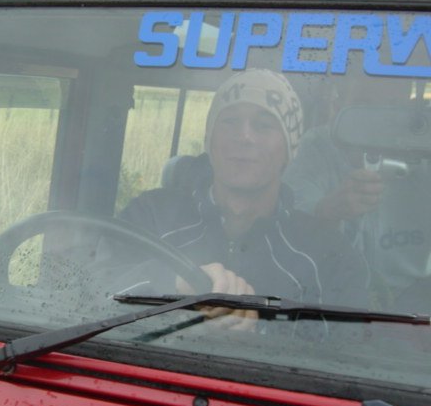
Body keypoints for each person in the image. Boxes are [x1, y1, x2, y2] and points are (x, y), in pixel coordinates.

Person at [97, 69, 370, 330]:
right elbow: (91, 292)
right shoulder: (150, 215)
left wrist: (258, 330)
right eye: (230, 121)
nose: (244, 136)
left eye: (263, 125)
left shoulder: (329, 256)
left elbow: (344, 345)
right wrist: (175, 282)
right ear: (209, 138)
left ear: (290, 149)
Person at [283, 74, 431, 306]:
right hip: (330, 300)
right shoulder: (313, 149)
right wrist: (327, 212)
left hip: (419, 302)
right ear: (336, 108)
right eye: (364, 105)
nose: (377, 119)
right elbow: (287, 228)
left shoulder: (424, 152)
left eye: (392, 106)